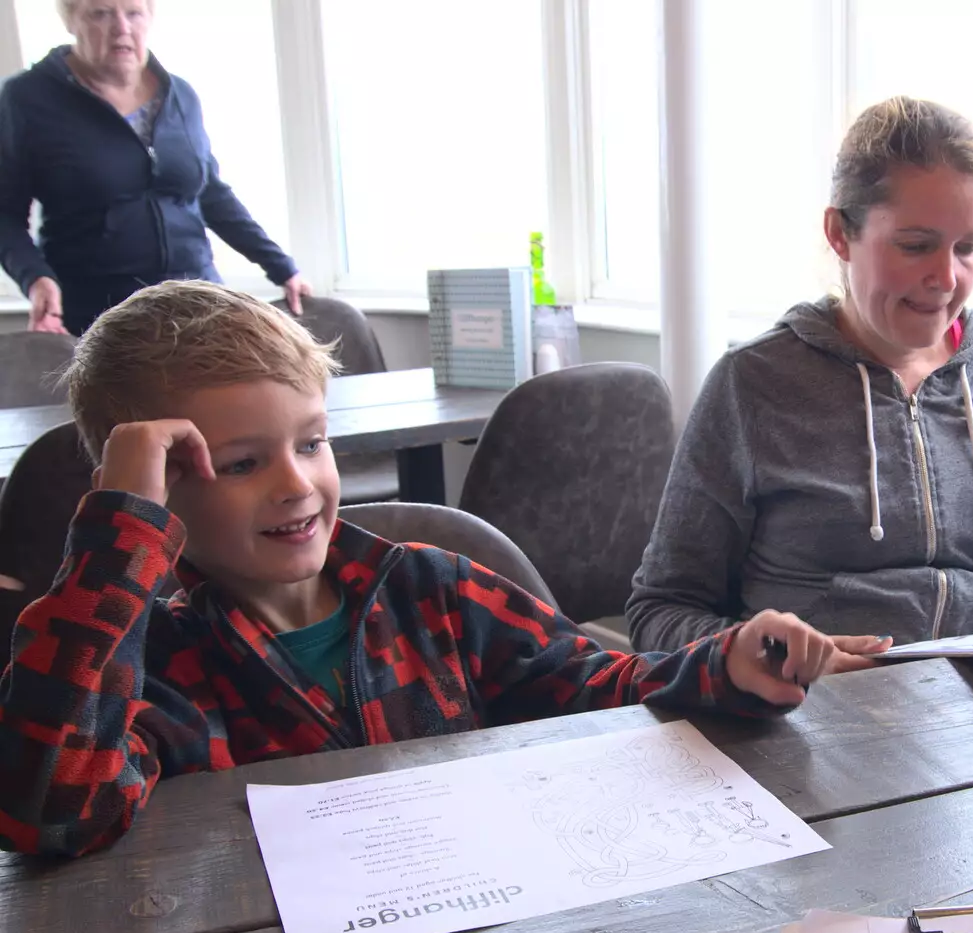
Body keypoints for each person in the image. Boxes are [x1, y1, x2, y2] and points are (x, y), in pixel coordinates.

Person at [0, 281, 888, 858]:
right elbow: (47, 810)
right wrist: (120, 532)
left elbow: (593, 682)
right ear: (157, 494)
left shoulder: (433, 590)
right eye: (240, 464)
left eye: (312, 442)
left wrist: (724, 662)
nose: (297, 482)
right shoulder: (151, 661)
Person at [629, 96, 973, 652]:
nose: (946, 278)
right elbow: (660, 612)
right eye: (915, 245)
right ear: (839, 234)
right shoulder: (752, 384)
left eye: (969, 248)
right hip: (822, 717)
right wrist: (764, 655)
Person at [0, 0, 311, 335]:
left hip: (198, 302)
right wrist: (35, 278)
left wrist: (281, 267)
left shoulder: (180, 95)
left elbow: (211, 194)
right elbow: (5, 213)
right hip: (100, 316)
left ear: (149, 18)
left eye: (133, 13)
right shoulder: (26, 99)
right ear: (70, 21)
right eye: (100, 14)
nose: (122, 28)